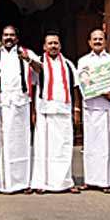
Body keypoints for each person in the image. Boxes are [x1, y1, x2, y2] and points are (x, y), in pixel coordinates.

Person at [0, 25, 42, 194]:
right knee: (1, 143)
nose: (9, 38)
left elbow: (41, 71)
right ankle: (0, 182)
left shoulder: (27, 53)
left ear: (17, 38)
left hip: (21, 103)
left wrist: (28, 59)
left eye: (12, 35)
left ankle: (21, 182)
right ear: (1, 38)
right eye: (5, 35)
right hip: (1, 104)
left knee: (21, 142)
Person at [30, 32, 80, 194]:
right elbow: (31, 88)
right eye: (50, 43)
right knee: (43, 148)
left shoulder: (68, 64)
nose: (53, 46)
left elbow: (75, 88)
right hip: (44, 111)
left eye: (56, 43)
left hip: (64, 110)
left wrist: (76, 109)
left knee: (64, 147)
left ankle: (65, 182)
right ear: (44, 46)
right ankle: (42, 183)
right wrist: (32, 111)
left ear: (60, 46)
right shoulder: (38, 63)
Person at [78, 29, 110, 192]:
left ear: (105, 41)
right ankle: (90, 180)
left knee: (108, 146)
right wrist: (102, 92)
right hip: (90, 108)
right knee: (90, 146)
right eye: (94, 39)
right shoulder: (83, 61)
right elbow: (82, 84)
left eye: (100, 39)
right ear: (89, 42)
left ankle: (108, 182)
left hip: (107, 109)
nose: (97, 41)